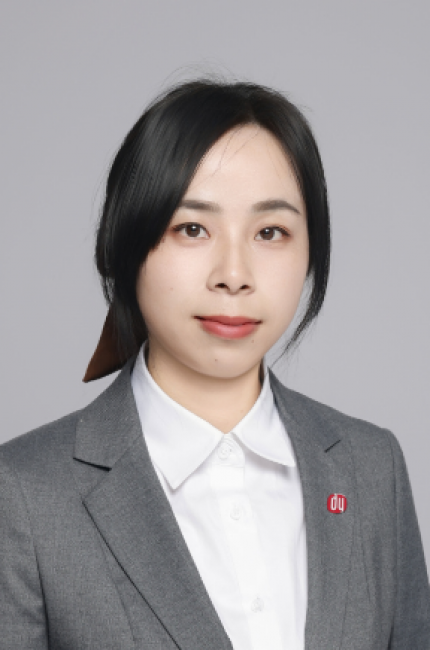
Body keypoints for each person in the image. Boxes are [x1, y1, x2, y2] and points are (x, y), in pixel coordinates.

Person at [0, 79, 429, 650]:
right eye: (192, 228)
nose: (234, 274)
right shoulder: (23, 494)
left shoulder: (371, 468)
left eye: (270, 232)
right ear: (126, 243)